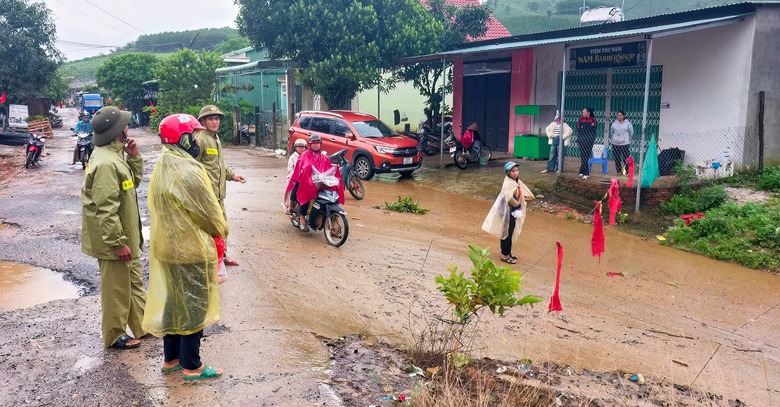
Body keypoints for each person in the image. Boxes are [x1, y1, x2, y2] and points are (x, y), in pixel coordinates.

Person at [143, 113, 228, 381]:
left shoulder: (163, 163)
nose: (195, 141)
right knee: (193, 307)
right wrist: (222, 231)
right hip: (189, 250)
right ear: (181, 138)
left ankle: (172, 359)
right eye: (191, 136)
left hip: (167, 249)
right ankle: (193, 365)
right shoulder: (188, 170)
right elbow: (209, 214)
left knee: (173, 303)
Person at [81, 106, 146, 350]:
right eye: (124, 124)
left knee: (133, 282)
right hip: (114, 239)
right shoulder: (106, 163)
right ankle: (114, 334)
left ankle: (142, 325)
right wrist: (117, 242)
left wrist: (134, 157)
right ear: (118, 130)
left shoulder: (115, 155)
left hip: (125, 234)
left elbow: (132, 185)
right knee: (116, 288)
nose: (127, 126)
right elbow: (105, 208)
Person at [194, 105, 245, 266]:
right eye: (211, 119)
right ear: (202, 121)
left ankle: (222, 256)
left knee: (221, 225)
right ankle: (211, 259)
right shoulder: (200, 139)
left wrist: (232, 175)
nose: (215, 122)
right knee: (212, 227)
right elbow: (192, 166)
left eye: (217, 119)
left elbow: (219, 164)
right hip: (206, 194)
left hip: (218, 194)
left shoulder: (215, 138)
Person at [285, 134, 343, 232]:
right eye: (314, 144)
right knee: (306, 194)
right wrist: (308, 175)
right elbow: (301, 169)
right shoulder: (304, 156)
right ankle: (302, 218)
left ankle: (330, 218)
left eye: (318, 143)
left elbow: (328, 170)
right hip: (307, 182)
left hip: (320, 182)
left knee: (333, 191)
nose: (316, 145)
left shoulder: (324, 157)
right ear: (310, 145)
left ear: (321, 144)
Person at [481, 162, 535, 264]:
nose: (515, 173)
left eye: (516, 170)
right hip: (507, 211)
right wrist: (518, 205)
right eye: (513, 171)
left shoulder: (515, 181)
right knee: (507, 233)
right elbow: (509, 198)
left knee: (509, 232)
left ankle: (507, 252)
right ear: (508, 172)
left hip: (511, 210)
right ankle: (504, 255)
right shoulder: (508, 183)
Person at [283, 138, 307, 214]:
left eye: (303, 147)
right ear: (295, 148)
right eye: (299, 147)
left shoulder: (307, 156)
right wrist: (297, 177)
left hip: (306, 178)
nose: (301, 148)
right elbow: (290, 170)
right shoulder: (293, 157)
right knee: (295, 188)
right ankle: (290, 206)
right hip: (294, 179)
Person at [576, 107, 598, 180]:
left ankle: (585, 173)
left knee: (586, 156)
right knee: (583, 156)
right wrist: (586, 128)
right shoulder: (581, 120)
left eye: (584, 112)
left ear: (588, 113)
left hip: (589, 141)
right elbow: (579, 128)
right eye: (582, 112)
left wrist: (584, 128)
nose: (583, 113)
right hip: (581, 140)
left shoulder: (593, 120)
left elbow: (593, 128)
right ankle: (583, 172)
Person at [610, 110, 634, 175]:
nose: (619, 116)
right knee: (617, 158)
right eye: (618, 115)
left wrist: (626, 139)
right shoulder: (614, 123)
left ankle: (626, 171)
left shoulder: (628, 124)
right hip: (615, 144)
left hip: (624, 144)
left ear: (624, 116)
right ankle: (618, 171)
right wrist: (615, 139)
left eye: (620, 115)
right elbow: (612, 132)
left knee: (626, 158)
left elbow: (631, 132)